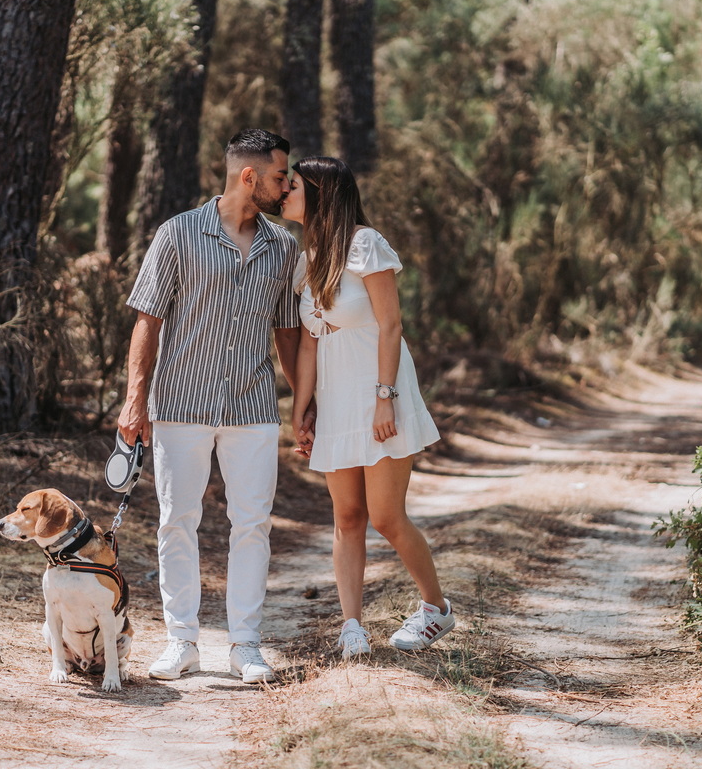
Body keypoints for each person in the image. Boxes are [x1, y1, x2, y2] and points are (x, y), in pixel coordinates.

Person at [119, 128, 304, 683]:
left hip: (253, 406)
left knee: (253, 524)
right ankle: (182, 642)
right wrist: (135, 400)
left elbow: (288, 334)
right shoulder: (177, 234)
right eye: (278, 176)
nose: (286, 184)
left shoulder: (283, 246)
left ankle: (245, 644)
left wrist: (304, 404)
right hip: (180, 402)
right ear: (248, 176)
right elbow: (146, 320)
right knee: (178, 521)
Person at [285, 156, 454, 660]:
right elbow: (312, 343)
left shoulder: (365, 244)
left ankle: (436, 609)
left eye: (294, 185)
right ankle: (352, 626)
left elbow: (391, 325)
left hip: (380, 390)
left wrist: (386, 398)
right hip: (335, 398)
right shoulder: (307, 256)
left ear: (319, 193)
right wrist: (304, 408)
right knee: (348, 516)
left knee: (386, 516)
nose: (284, 193)